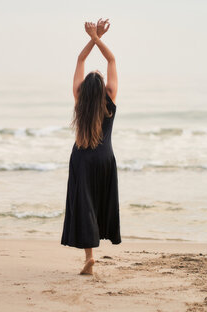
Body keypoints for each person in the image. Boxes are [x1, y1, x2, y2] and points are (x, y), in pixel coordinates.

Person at [60, 18, 121, 275]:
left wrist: (90, 37)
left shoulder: (78, 97)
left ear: (84, 89)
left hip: (83, 158)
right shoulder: (110, 95)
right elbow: (112, 61)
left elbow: (79, 61)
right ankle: (94, 251)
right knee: (99, 202)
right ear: (102, 88)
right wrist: (98, 38)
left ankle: (89, 257)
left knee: (84, 204)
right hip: (105, 158)